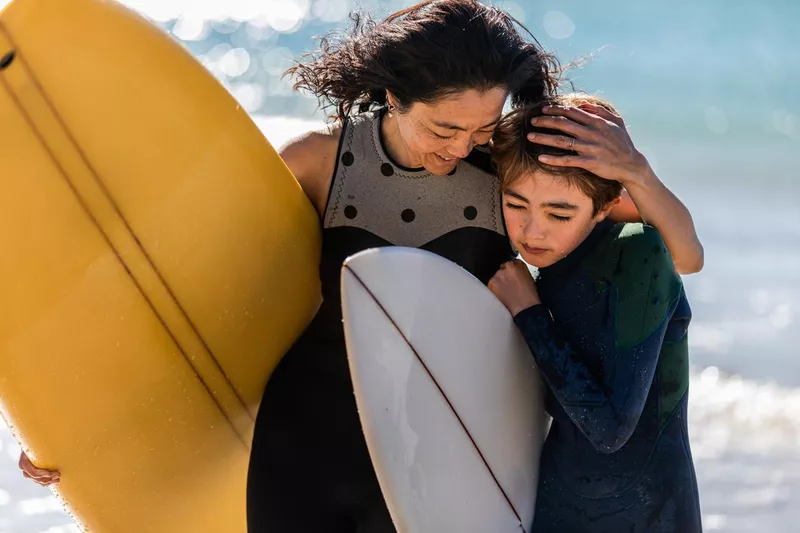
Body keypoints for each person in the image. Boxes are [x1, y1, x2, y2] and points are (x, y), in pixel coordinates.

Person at [20, 3, 704, 533]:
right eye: (445, 129)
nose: (464, 146)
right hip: (306, 434)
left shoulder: (505, 181)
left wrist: (636, 168)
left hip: (435, 444)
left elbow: (675, 250)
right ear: (392, 94)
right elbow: (206, 300)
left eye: (481, 129)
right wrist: (80, 424)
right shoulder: (317, 165)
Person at [488, 94, 702, 533]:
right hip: (556, 500)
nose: (532, 231)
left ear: (607, 206)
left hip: (649, 513)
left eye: (559, 213)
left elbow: (608, 430)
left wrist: (529, 313)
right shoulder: (550, 260)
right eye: (515, 205)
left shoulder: (638, 251)